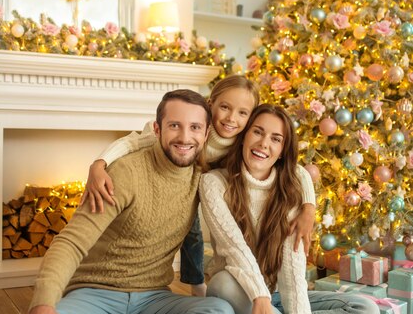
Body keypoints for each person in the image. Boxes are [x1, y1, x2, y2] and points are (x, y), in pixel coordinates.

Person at [23, 89, 260, 314]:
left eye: (195, 128)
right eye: (175, 126)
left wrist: (306, 194)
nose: (184, 136)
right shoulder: (124, 172)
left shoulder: (202, 179)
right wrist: (41, 304)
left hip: (153, 300)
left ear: (205, 135)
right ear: (157, 129)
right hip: (95, 294)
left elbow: (270, 165)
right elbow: (71, 242)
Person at [80, 76, 315, 297]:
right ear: (211, 104)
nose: (231, 118)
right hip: (177, 181)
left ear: (250, 117)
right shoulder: (193, 126)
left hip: (206, 187)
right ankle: (183, 281)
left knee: (201, 231)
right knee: (184, 228)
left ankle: (201, 283)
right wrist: (99, 164)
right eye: (224, 107)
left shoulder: (242, 139)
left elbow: (296, 169)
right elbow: (134, 141)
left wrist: (308, 207)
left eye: (242, 113)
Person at [199, 104, 382, 314]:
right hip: (239, 297)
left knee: (368, 313)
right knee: (222, 283)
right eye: (257, 132)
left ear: (284, 150)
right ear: (244, 136)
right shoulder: (214, 183)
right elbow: (235, 251)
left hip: (276, 297)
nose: (264, 144)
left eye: (276, 139)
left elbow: (293, 275)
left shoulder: (290, 190)